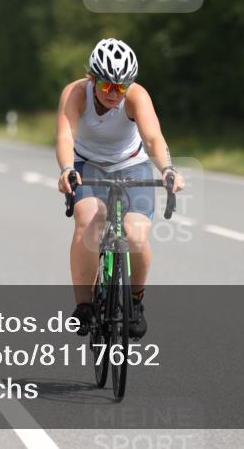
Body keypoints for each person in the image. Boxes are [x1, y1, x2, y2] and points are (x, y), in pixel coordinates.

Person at [56, 38, 185, 339]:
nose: (114, 93)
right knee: (89, 222)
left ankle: (136, 302)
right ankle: (84, 306)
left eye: (122, 87)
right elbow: (65, 136)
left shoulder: (136, 96)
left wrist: (167, 169)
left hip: (131, 164)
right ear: (93, 78)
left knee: (136, 235)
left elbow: (153, 138)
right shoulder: (76, 93)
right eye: (107, 85)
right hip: (86, 163)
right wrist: (66, 170)